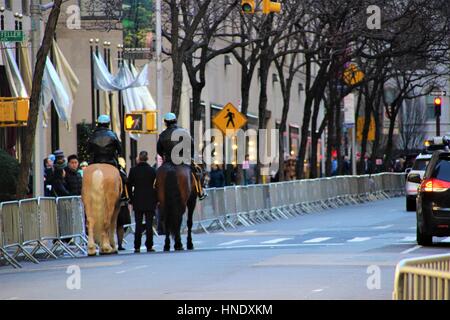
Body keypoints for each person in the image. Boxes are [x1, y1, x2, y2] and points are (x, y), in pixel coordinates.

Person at [156, 112, 206, 200]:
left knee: (157, 177)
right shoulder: (184, 132)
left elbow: (159, 150)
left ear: (165, 122)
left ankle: (156, 193)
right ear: (175, 121)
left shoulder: (162, 135)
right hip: (183, 160)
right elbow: (191, 145)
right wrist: (190, 156)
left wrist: (164, 156)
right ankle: (200, 191)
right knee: (197, 172)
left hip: (168, 161)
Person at [87, 115, 127, 200]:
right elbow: (120, 150)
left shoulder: (92, 135)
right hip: (111, 162)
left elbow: (88, 150)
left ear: (98, 124)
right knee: (123, 177)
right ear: (108, 124)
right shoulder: (113, 135)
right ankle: (124, 195)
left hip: (95, 162)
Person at [127, 151, 157, 253]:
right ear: (147, 158)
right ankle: (149, 245)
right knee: (149, 224)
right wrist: (156, 199)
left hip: (138, 199)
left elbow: (129, 185)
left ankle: (137, 246)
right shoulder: (152, 171)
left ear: (139, 158)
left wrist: (131, 198)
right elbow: (156, 186)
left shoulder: (133, 170)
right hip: (150, 199)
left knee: (138, 224)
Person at [117, 157, 131, 251]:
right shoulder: (121, 172)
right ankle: (119, 243)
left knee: (120, 223)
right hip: (121, 202)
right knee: (121, 224)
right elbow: (127, 182)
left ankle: (118, 243)